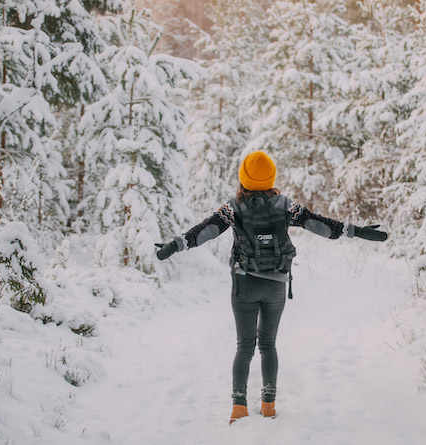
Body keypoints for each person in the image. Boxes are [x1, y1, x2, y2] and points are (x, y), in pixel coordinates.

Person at [154, 151, 387, 424]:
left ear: (244, 178)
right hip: (276, 285)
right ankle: (268, 405)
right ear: (271, 178)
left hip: (244, 285)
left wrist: (174, 245)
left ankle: (239, 407)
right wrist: (357, 230)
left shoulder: (232, 208)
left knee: (244, 347)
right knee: (268, 345)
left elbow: (204, 231)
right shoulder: (286, 206)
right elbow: (321, 225)